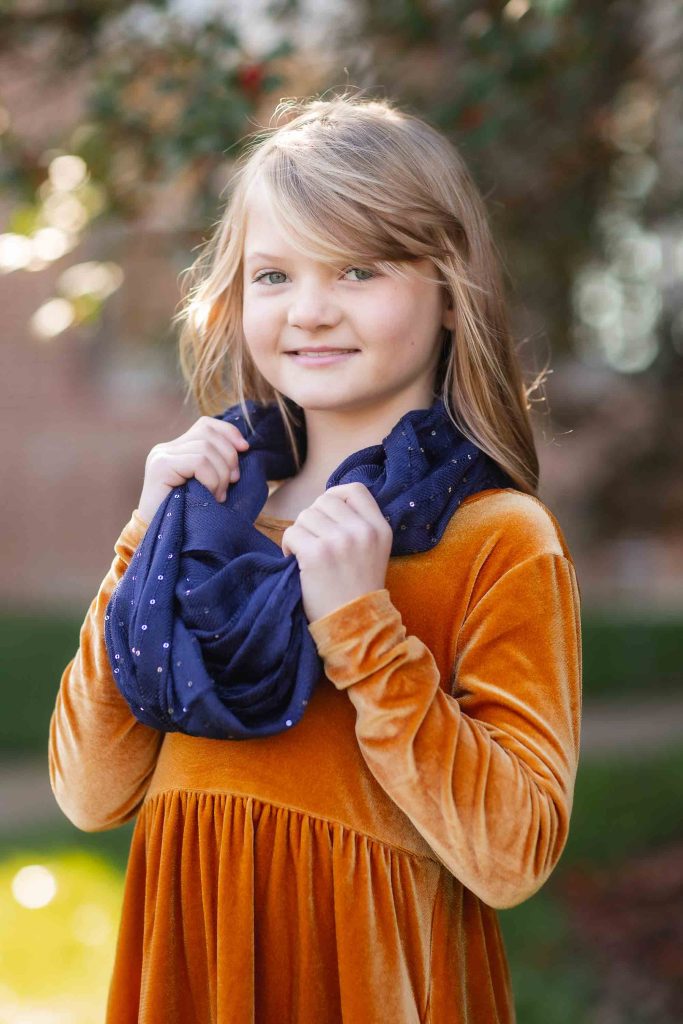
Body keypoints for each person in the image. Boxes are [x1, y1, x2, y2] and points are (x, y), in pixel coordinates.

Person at [48, 90, 582, 1023]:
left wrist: (363, 630)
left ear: (451, 291)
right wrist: (144, 538)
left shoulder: (495, 537)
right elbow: (90, 794)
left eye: (359, 270)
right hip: (192, 976)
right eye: (274, 276)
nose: (311, 311)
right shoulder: (205, 516)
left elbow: (511, 854)